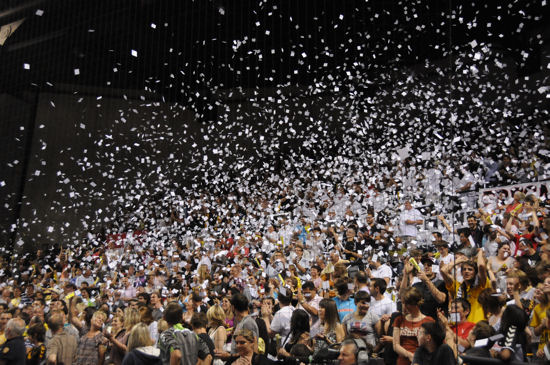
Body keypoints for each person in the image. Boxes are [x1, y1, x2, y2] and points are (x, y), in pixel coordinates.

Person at [393, 288, 435, 365]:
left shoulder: (428, 320)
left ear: (415, 304)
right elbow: (395, 345)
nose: (404, 306)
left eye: (407, 304)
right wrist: (409, 355)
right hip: (403, 360)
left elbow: (432, 346)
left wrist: (417, 357)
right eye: (403, 303)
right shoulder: (399, 320)